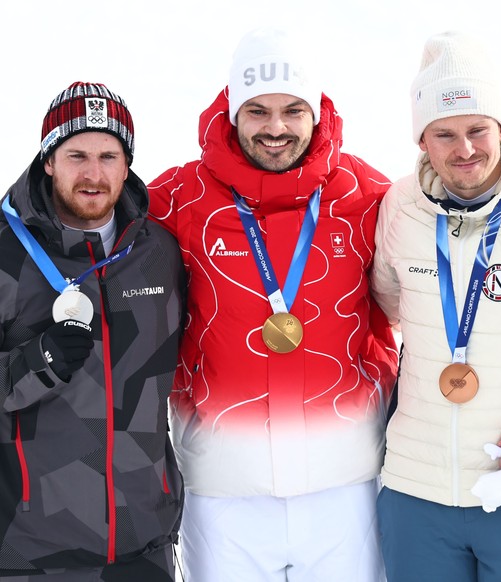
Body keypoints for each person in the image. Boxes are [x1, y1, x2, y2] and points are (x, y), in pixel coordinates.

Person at [148, 27, 399, 582]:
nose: (276, 128)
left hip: (346, 483)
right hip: (223, 488)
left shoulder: (369, 195)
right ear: (233, 112)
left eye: (292, 110)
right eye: (257, 111)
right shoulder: (178, 197)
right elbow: (85, 229)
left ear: (317, 111)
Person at [371, 31, 501, 582]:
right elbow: (383, 311)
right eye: (444, 134)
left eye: (476, 130)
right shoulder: (399, 209)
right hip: (416, 495)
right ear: (421, 138)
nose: (464, 150)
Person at [0, 82, 185, 581]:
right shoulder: (4, 253)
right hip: (29, 550)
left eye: (109, 156)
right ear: (48, 161)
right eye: (76, 154)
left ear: (127, 166)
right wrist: (36, 362)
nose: (93, 174)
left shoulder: (160, 254)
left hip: (143, 544)